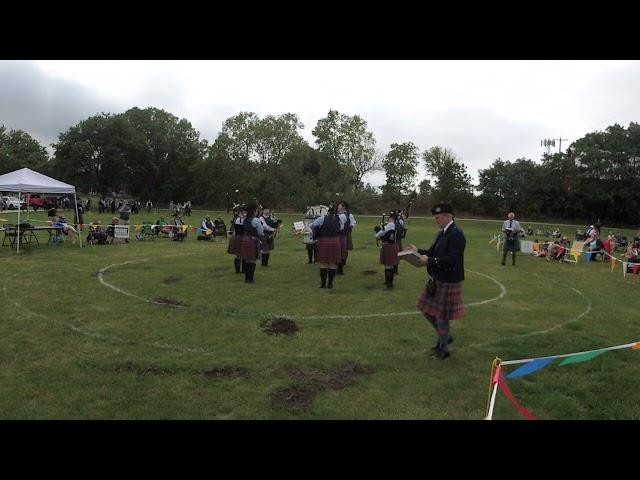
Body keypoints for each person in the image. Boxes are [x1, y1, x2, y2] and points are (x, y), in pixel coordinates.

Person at [407, 203, 466, 360]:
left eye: (438, 217)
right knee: (426, 310)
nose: (435, 220)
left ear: (448, 216)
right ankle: (444, 338)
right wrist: (416, 251)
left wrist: (430, 261)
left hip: (448, 280)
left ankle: (444, 349)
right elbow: (432, 253)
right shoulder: (443, 233)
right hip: (437, 279)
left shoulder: (457, 234)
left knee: (441, 316)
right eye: (435, 217)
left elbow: (452, 260)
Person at [311, 205, 342, 289]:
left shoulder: (322, 218)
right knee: (332, 263)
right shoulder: (339, 220)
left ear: (328, 212)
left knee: (323, 263)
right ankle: (330, 284)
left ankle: (323, 284)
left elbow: (312, 225)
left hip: (323, 241)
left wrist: (318, 232)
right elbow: (341, 229)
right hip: (335, 241)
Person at [238, 201, 264, 283]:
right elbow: (260, 232)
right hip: (252, 240)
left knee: (247, 259)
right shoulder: (256, 220)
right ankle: (251, 278)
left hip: (244, 240)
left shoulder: (245, 219)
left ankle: (246, 278)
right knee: (252, 260)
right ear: (254, 210)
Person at [375, 211, 402, 288]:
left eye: (389, 218)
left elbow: (381, 233)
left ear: (392, 218)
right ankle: (389, 282)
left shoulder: (390, 224)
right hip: (395, 245)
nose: (388, 219)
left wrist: (377, 234)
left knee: (388, 265)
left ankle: (389, 283)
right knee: (391, 265)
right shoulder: (399, 224)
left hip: (389, 246)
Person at [336, 201, 356, 275]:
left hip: (345, 234)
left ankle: (340, 268)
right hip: (342, 234)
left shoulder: (348, 215)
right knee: (342, 251)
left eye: (339, 206)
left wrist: (349, 226)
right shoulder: (338, 215)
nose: (338, 207)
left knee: (342, 251)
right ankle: (339, 267)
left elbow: (353, 223)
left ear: (344, 207)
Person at [227, 205, 246, 273]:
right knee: (238, 254)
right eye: (244, 212)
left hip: (243, 237)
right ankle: (237, 270)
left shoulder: (245, 218)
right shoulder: (238, 219)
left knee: (244, 254)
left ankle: (243, 270)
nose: (245, 213)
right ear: (241, 212)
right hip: (238, 237)